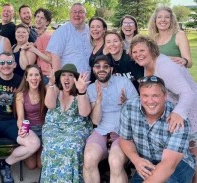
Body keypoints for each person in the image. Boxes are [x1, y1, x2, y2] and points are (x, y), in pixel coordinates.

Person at [130, 34, 197, 181]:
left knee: (193, 156)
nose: (138, 55)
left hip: (189, 112)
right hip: (173, 111)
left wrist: (179, 113)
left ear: (152, 50)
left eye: (142, 50)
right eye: (135, 52)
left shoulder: (165, 66)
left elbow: (188, 92)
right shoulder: (147, 65)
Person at [0, 51, 40, 183]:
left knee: (34, 143)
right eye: (2, 63)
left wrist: (23, 125)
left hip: (11, 121)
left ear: (15, 64)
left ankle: (5, 164)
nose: (6, 65)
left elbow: (34, 94)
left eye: (9, 62)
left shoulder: (20, 81)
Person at [120, 76, 195, 183]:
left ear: (165, 96)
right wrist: (136, 160)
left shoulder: (178, 119)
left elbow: (168, 166)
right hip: (148, 163)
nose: (150, 101)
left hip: (178, 164)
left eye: (155, 96)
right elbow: (125, 139)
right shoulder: (129, 108)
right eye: (145, 95)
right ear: (140, 96)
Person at [83, 55, 138, 183]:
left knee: (115, 162)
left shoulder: (123, 82)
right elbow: (95, 121)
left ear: (111, 69)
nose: (101, 69)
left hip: (123, 132)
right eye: (97, 66)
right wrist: (98, 101)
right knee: (89, 158)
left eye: (105, 66)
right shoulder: (91, 89)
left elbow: (138, 110)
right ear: (93, 70)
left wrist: (127, 103)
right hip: (102, 131)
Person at [41, 64, 92, 182]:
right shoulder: (54, 88)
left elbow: (84, 113)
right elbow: (50, 105)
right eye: (63, 75)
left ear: (75, 79)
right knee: (51, 146)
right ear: (60, 78)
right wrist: (51, 83)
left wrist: (82, 91)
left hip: (76, 127)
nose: (66, 78)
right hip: (53, 126)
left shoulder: (81, 92)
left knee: (72, 147)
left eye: (70, 75)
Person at [15, 64, 46, 169]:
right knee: (31, 166)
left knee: (41, 165)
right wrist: (22, 129)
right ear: (26, 78)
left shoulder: (45, 91)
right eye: (31, 75)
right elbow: (20, 118)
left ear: (41, 78)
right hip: (30, 130)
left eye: (37, 75)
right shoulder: (21, 95)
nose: (34, 78)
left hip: (44, 129)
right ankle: (29, 149)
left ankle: (39, 150)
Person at [46, 3, 92, 73]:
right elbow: (55, 56)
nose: (77, 14)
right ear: (70, 14)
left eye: (80, 12)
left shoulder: (91, 31)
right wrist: (58, 79)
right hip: (69, 80)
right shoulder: (61, 31)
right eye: (74, 12)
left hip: (91, 79)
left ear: (85, 15)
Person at [27, 8, 53, 83]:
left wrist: (34, 50)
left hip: (46, 76)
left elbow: (50, 60)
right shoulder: (40, 36)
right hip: (41, 74)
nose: (38, 20)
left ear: (47, 22)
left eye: (42, 18)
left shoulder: (47, 37)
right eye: (37, 16)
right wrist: (33, 45)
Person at [88, 17, 107, 82]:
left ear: (104, 29)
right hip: (93, 85)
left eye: (98, 27)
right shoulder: (93, 46)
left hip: (104, 86)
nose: (95, 29)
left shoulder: (107, 47)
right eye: (92, 27)